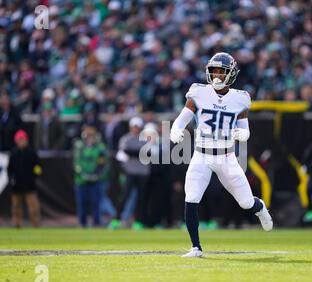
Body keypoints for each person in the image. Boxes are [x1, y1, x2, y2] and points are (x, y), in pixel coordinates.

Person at [170, 52, 273, 258]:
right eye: (214, 71)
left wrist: (242, 134)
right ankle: (196, 247)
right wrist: (175, 129)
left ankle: (260, 207)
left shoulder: (240, 98)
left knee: (245, 202)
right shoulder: (198, 93)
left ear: (231, 74)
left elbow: (245, 129)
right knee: (191, 198)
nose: (217, 75)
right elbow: (182, 118)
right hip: (201, 155)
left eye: (221, 71)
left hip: (227, 157)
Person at [109, 117, 150, 230]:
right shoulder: (125, 139)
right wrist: (138, 153)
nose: (136, 129)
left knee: (141, 198)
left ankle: (139, 222)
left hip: (142, 172)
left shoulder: (145, 139)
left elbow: (148, 153)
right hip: (130, 171)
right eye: (134, 126)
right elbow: (125, 152)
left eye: (138, 127)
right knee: (124, 196)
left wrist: (133, 152)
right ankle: (116, 220)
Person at [73, 125, 108, 227]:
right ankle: (82, 222)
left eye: (92, 135)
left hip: (95, 179)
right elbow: (76, 162)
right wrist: (82, 173)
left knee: (95, 202)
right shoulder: (79, 146)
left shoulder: (100, 148)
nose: (90, 138)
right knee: (82, 202)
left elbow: (103, 163)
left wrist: (97, 174)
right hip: (81, 180)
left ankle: (96, 222)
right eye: (88, 135)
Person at [7, 130, 42, 228]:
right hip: (16, 185)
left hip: (30, 185)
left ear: (26, 140)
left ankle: (35, 225)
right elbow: (9, 169)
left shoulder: (32, 153)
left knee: (33, 208)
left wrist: (35, 176)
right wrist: (11, 179)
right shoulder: (13, 154)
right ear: (16, 141)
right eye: (19, 140)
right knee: (16, 207)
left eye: (23, 139)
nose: (21, 141)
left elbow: (38, 167)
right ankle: (17, 224)